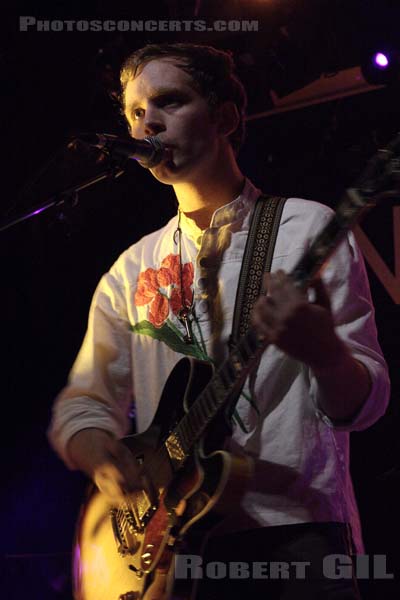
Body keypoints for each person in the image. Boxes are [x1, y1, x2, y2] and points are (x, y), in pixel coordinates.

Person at [48, 43, 390, 599]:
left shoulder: (306, 228)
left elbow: (366, 403)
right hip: (172, 551)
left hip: (297, 533)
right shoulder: (129, 268)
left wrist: (326, 353)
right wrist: (100, 455)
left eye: (168, 101)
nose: (147, 123)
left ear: (226, 117)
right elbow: (85, 404)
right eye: (135, 113)